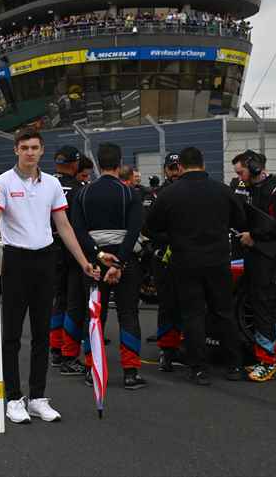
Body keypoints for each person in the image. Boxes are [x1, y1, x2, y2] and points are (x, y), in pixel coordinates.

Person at [0, 127, 100, 425]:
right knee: (11, 334)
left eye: (35, 147)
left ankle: (37, 397)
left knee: (41, 334)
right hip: (16, 260)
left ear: (42, 150)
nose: (30, 152)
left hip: (46, 260)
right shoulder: (3, 183)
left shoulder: (51, 184)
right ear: (17, 151)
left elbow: (64, 226)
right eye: (25, 148)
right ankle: (13, 398)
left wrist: (84, 261)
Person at [146, 147, 246, 385]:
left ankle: (199, 368)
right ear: (203, 164)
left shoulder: (169, 194)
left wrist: (171, 238)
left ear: (180, 166)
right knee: (224, 312)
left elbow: (150, 227)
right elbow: (240, 220)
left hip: (185, 261)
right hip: (219, 260)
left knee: (193, 314)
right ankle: (234, 365)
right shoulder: (223, 190)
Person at [71, 142, 147, 390]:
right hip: (126, 262)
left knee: (94, 316)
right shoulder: (130, 193)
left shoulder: (83, 193)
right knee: (128, 313)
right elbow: (135, 230)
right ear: (120, 162)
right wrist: (120, 262)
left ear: (97, 163)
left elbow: (78, 231)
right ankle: (130, 372)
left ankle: (93, 370)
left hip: (94, 262)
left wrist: (98, 254)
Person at [231, 150, 276, 382]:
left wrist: (253, 236)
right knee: (258, 304)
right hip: (254, 254)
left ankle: (267, 361)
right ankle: (273, 357)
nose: (239, 177)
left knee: (264, 305)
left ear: (255, 167)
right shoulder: (249, 189)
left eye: (241, 172)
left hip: (270, 256)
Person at [144, 153, 184, 369]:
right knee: (168, 303)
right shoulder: (156, 195)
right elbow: (148, 227)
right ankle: (167, 349)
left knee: (190, 302)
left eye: (178, 166)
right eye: (172, 167)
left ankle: (189, 344)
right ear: (166, 170)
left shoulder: (191, 190)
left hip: (188, 254)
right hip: (164, 254)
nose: (175, 171)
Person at [47, 144, 83, 371]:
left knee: (57, 301)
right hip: (72, 250)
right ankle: (69, 355)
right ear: (75, 164)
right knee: (73, 303)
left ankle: (54, 349)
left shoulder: (44, 184)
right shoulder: (80, 189)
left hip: (47, 250)